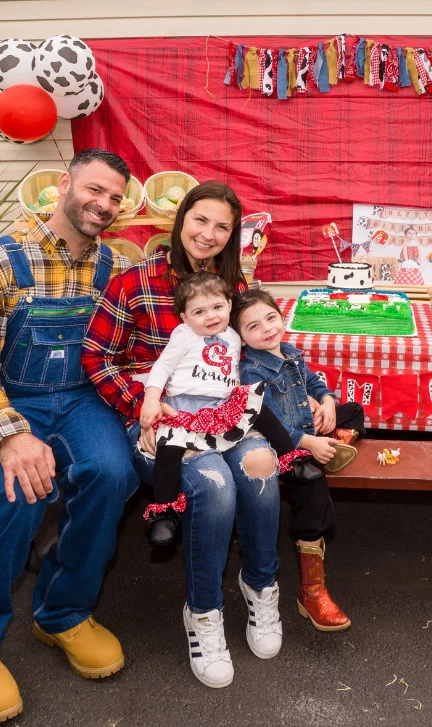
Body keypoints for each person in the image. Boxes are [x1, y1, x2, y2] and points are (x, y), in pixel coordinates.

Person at [0, 149, 140, 726]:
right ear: (64, 185)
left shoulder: (111, 268)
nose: (103, 205)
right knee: (20, 488)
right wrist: (10, 436)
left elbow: (119, 349)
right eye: (94, 190)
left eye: (114, 199)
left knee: (113, 473)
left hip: (78, 397)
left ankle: (62, 612)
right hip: (8, 397)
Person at [82, 181, 284, 689]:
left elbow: (255, 354)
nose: (209, 234)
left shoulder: (231, 290)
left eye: (222, 227)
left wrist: (310, 393)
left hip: (225, 414)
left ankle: (261, 585)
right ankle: (204, 612)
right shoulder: (133, 282)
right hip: (157, 421)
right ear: (181, 218)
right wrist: (145, 410)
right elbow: (96, 359)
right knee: (213, 483)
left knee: (262, 466)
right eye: (201, 220)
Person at [140, 271, 320, 546]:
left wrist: (309, 393)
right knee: (170, 446)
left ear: (228, 305)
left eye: (218, 307)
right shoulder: (184, 335)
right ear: (185, 317)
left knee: (257, 404)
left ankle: (292, 461)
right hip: (186, 407)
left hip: (222, 406)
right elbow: (162, 367)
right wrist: (152, 398)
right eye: (199, 311)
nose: (211, 316)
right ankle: (165, 512)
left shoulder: (235, 335)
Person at [231, 287, 365, 632]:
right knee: (311, 487)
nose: (267, 329)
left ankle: (333, 444)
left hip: (309, 427)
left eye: (271, 318)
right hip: (282, 445)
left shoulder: (289, 352)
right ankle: (312, 590)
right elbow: (268, 420)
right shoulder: (251, 371)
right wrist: (307, 441)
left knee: (355, 410)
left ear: (281, 316)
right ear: (242, 338)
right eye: (253, 326)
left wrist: (327, 404)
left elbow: (313, 381)